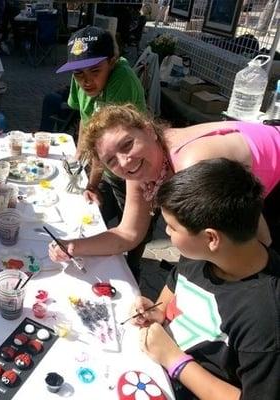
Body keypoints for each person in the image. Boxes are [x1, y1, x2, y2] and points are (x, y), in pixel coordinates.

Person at [48, 105, 280, 264]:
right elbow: (128, 234)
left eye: (127, 144)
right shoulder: (138, 169)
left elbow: (257, 236)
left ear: (148, 130)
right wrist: (73, 246)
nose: (124, 161)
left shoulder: (191, 163)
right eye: (110, 160)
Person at [131, 158, 280, 399]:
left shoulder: (265, 318)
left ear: (211, 238)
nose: (166, 232)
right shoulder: (199, 255)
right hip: (158, 364)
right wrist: (158, 311)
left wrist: (175, 361)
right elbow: (175, 288)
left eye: (172, 227)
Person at [49, 25, 147, 278]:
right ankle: (100, 253)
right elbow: (84, 119)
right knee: (90, 216)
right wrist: (77, 156)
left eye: (95, 71)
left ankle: (133, 270)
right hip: (107, 165)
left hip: (135, 169)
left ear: (112, 62)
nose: (86, 81)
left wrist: (92, 182)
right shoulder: (80, 77)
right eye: (79, 74)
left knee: (134, 232)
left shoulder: (122, 80)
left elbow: (108, 145)